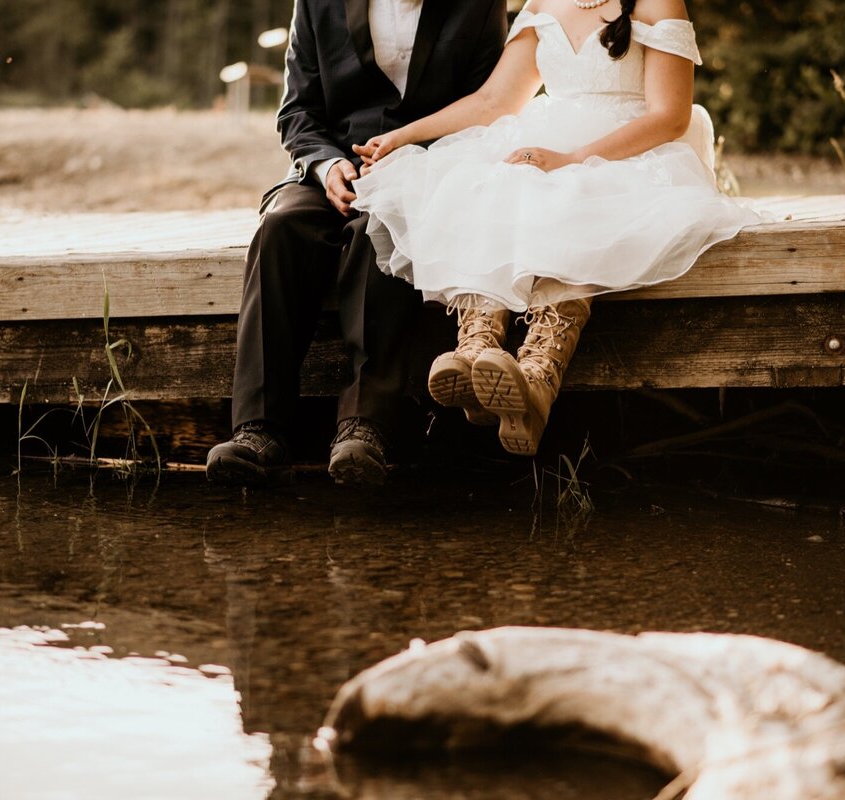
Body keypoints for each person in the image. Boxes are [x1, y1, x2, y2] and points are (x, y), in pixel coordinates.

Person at [351, 0, 767, 456]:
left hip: (633, 149)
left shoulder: (656, 1)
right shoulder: (544, 2)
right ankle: (476, 351)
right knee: (489, 181)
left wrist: (573, 159)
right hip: (552, 135)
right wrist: (404, 135)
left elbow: (670, 116)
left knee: (575, 193)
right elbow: (495, 102)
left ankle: (536, 378)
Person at [207, 0, 509, 487]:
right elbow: (298, 111)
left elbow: (485, 108)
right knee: (280, 227)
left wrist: (412, 161)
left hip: (426, 169)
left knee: (379, 232)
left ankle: (365, 426)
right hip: (332, 166)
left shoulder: (478, 5)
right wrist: (327, 166)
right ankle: (257, 428)